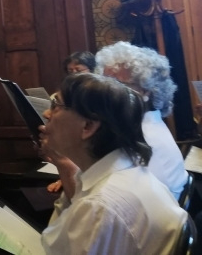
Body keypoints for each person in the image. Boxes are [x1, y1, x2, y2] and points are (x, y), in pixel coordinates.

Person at [39, 73, 187, 254]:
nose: (46, 114)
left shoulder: (100, 206)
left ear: (88, 126)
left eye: (56, 105)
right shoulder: (122, 170)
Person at [95, 41, 188, 200]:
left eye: (117, 84)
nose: (105, 93)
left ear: (145, 91)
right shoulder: (144, 123)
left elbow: (114, 199)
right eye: (103, 84)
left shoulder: (142, 135)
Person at [45, 50, 96, 193]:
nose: (73, 74)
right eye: (70, 71)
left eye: (78, 70)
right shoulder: (67, 92)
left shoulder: (96, 96)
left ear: (92, 70)